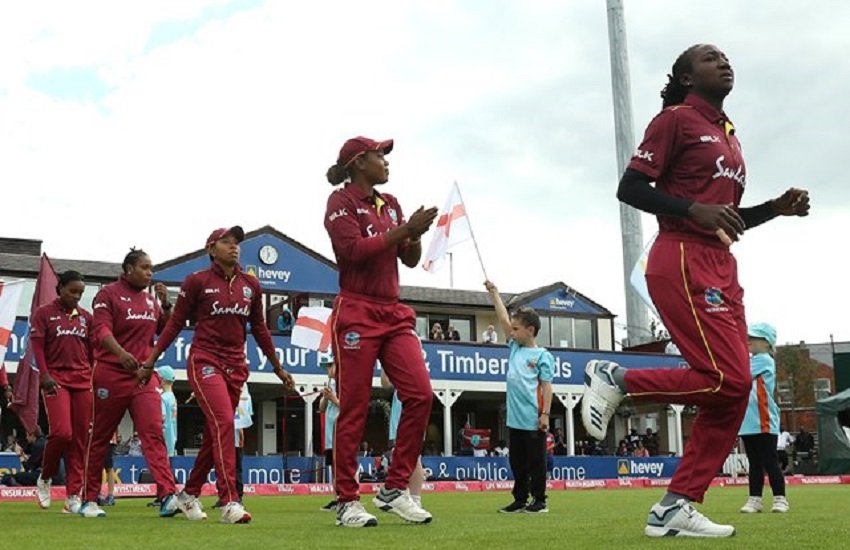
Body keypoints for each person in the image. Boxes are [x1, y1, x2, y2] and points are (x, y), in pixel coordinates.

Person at [582, 43, 810, 538]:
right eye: (710, 58)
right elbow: (630, 187)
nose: (724, 62)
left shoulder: (729, 134)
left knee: (731, 391)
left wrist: (774, 208)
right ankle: (618, 377)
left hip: (721, 262)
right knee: (728, 379)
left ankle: (675, 505)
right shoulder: (675, 120)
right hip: (682, 256)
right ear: (686, 77)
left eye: (726, 57)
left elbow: (725, 218)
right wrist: (691, 210)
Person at [141, 226, 294, 524]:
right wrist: (150, 360)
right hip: (205, 360)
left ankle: (188, 494)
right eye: (226, 242)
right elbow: (174, 324)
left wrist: (278, 367)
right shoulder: (196, 281)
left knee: (216, 435)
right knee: (224, 422)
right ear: (211, 249)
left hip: (236, 365)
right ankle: (229, 501)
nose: (234, 246)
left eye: (237, 242)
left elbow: (260, 328)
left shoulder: (251, 284)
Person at [324, 136, 438, 527]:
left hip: (393, 311)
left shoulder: (389, 204)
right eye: (379, 155)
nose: (386, 162)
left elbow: (410, 259)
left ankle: (393, 488)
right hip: (356, 309)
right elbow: (353, 252)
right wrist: (402, 230)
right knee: (353, 406)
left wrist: (414, 233)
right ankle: (346, 501)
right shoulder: (340, 202)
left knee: (420, 394)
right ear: (359, 162)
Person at [80, 249, 204, 520]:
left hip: (142, 376)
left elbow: (165, 330)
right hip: (111, 373)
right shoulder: (108, 294)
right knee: (100, 437)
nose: (150, 273)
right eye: (145, 268)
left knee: (153, 433)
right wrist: (120, 354)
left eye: (151, 268)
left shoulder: (150, 300)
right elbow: (101, 331)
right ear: (128, 270)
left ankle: (167, 496)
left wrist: (166, 305)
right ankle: (88, 499)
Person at [485, 280, 554, 514]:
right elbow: (503, 319)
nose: (511, 332)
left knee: (536, 462)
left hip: (533, 419)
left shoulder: (543, 356)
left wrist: (545, 414)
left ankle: (540, 500)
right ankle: (520, 499)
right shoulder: (515, 348)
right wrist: (494, 294)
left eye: (516, 329)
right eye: (512, 329)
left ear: (530, 330)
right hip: (514, 420)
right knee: (517, 462)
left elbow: (547, 387)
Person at [29, 270, 93, 513]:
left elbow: (92, 353)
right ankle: (45, 477)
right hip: (56, 380)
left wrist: (92, 377)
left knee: (79, 439)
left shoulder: (86, 318)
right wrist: (44, 374)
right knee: (62, 433)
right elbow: (37, 346)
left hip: (82, 381)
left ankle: (73, 495)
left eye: (80, 293)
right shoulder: (44, 313)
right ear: (60, 288)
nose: (76, 296)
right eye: (72, 291)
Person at [738, 323, 788, 514]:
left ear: (767, 343)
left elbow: (740, 374)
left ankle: (780, 499)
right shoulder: (753, 360)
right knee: (754, 463)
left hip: (764, 419)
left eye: (754, 338)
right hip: (748, 421)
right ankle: (755, 499)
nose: (749, 340)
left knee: (770, 460)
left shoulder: (764, 360)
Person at [381, 369, 426, 508]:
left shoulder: (411, 373)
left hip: (408, 420)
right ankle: (407, 496)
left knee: (414, 459)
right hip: (399, 422)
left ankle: (415, 499)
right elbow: (385, 384)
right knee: (403, 459)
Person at [318, 355, 340, 512]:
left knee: (343, 466)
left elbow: (349, 406)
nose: (328, 369)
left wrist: (333, 397)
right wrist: (326, 397)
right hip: (330, 433)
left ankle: (347, 497)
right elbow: (321, 408)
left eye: (330, 366)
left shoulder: (345, 383)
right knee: (334, 468)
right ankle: (336, 497)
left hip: (341, 431)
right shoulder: (331, 384)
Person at [156, 366, 178, 458]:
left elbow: (162, 419)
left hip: (162, 440)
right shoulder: (173, 398)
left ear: (163, 380)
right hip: (172, 438)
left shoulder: (162, 398)